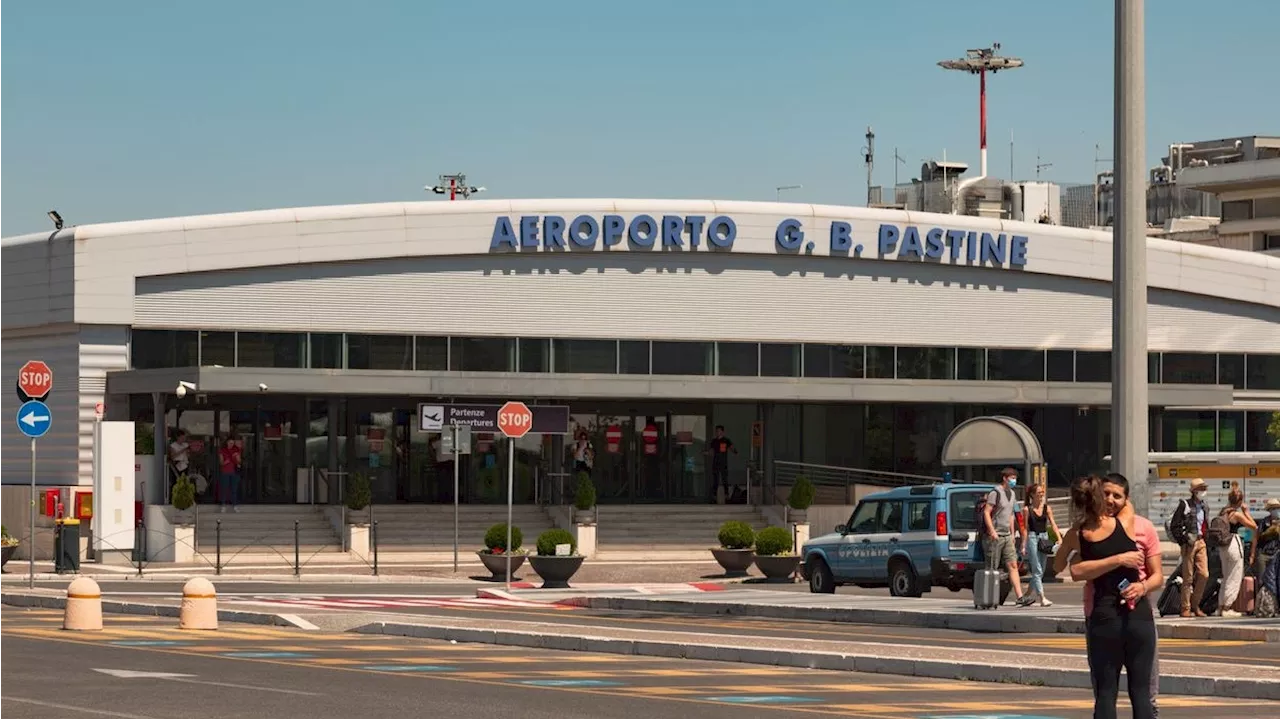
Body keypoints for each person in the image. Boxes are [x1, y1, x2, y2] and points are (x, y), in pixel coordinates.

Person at [1058, 475, 1159, 719]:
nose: (1112, 500)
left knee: (1105, 693)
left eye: (1117, 495)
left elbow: (1062, 566)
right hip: (1138, 615)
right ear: (1099, 497)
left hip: (1104, 617)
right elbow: (1128, 507)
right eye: (1106, 495)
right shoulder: (1126, 523)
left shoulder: (1078, 534)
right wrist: (1122, 561)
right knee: (1141, 693)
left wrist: (1080, 556)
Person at [982, 467, 1032, 607]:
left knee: (1013, 564)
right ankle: (989, 598)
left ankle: (1020, 597)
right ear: (1005, 478)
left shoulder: (1012, 494)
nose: (1014, 481)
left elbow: (1010, 516)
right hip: (995, 535)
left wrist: (1012, 533)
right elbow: (987, 512)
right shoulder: (995, 493)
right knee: (992, 567)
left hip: (1007, 535)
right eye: (1012, 478)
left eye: (1015, 478)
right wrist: (992, 531)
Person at [1168, 478, 1211, 618]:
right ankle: (1186, 608)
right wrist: (1183, 539)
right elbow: (1175, 525)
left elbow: (1205, 524)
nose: (1203, 491)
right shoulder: (1185, 504)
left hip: (1201, 541)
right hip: (1189, 543)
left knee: (1204, 574)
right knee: (1188, 577)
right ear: (1194, 491)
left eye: (1204, 488)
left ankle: (1195, 605)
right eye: (1200, 489)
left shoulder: (1205, 506)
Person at [1216, 484, 1256, 617]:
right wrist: (1246, 512)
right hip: (1233, 543)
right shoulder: (1237, 514)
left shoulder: (1223, 511)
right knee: (1235, 576)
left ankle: (1221, 607)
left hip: (1223, 546)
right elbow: (1253, 526)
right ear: (1239, 502)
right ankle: (1227, 608)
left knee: (1226, 576)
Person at [1020, 482, 1062, 607]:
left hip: (1044, 537)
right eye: (1038, 493)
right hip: (1033, 537)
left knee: (1040, 571)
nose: (1041, 495)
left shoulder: (1046, 508)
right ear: (1032, 495)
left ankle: (1026, 595)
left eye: (1042, 492)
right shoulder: (1027, 509)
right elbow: (1025, 529)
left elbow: (1053, 524)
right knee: (1037, 569)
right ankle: (1042, 598)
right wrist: (1023, 544)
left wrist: (1059, 538)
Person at [704, 426, 737, 503]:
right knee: (715, 479)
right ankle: (714, 496)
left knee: (724, 478)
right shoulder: (714, 441)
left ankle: (726, 495)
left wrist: (734, 451)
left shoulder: (726, 440)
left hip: (723, 462)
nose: (717, 432)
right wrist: (706, 453)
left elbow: (732, 447)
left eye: (719, 431)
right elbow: (711, 451)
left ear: (722, 432)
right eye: (716, 431)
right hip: (715, 462)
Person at [1251, 498, 1280, 577]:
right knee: (1262, 579)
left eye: (1277, 508)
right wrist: (1252, 555)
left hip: (1277, 554)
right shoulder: (1264, 522)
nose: (1276, 510)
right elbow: (1256, 538)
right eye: (1273, 508)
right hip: (1264, 554)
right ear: (1269, 510)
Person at [217, 436, 242, 513]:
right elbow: (221, 462)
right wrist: (225, 462)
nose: (231, 444)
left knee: (234, 489)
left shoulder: (236, 450)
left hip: (234, 472)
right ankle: (223, 505)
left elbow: (239, 461)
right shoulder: (222, 450)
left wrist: (237, 459)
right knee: (224, 488)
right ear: (227, 442)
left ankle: (235, 505)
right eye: (230, 443)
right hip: (225, 471)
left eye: (232, 443)